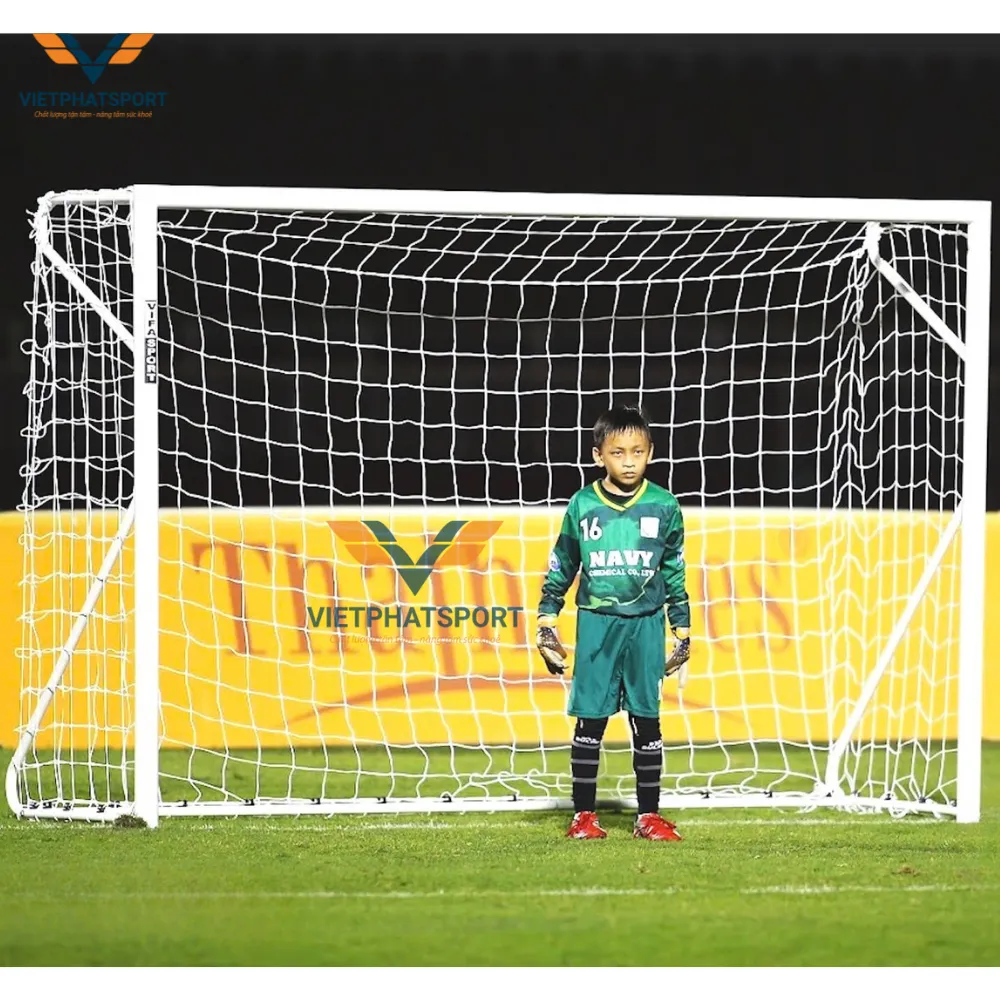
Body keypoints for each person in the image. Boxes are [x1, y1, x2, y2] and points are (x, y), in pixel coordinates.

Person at [536, 404, 691, 840]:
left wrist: (682, 626)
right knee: (590, 719)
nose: (628, 461)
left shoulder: (664, 505)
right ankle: (583, 816)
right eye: (618, 452)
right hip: (597, 625)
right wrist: (547, 618)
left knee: (647, 719)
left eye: (637, 452)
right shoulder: (583, 504)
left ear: (650, 452)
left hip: (646, 625)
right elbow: (563, 562)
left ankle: (648, 816)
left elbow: (674, 569)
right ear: (598, 455)